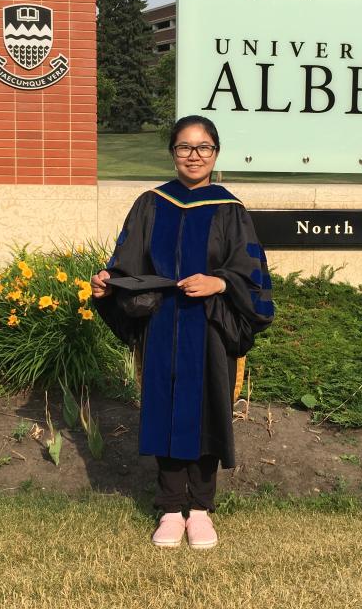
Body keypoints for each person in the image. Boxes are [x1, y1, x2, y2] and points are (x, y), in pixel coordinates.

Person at [91, 115, 274, 550]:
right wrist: (107, 284)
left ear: (216, 153)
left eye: (203, 147)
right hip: (161, 324)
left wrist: (219, 283)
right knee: (165, 409)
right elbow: (127, 264)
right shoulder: (151, 203)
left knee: (209, 410)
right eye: (184, 147)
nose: (194, 156)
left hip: (211, 327)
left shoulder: (230, 209)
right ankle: (171, 507)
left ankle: (202, 509)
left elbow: (252, 274)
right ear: (172, 152)